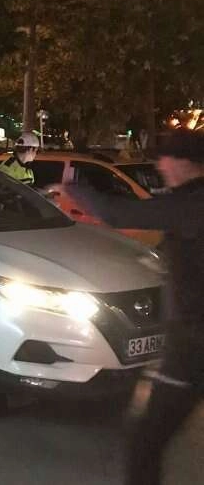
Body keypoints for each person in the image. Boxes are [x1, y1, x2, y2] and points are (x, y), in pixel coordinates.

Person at [66, 129, 204, 485]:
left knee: (145, 441)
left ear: (185, 163)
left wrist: (72, 189)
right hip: (188, 340)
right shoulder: (189, 201)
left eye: (165, 159)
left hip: (192, 346)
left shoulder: (191, 203)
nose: (160, 166)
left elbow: (116, 213)